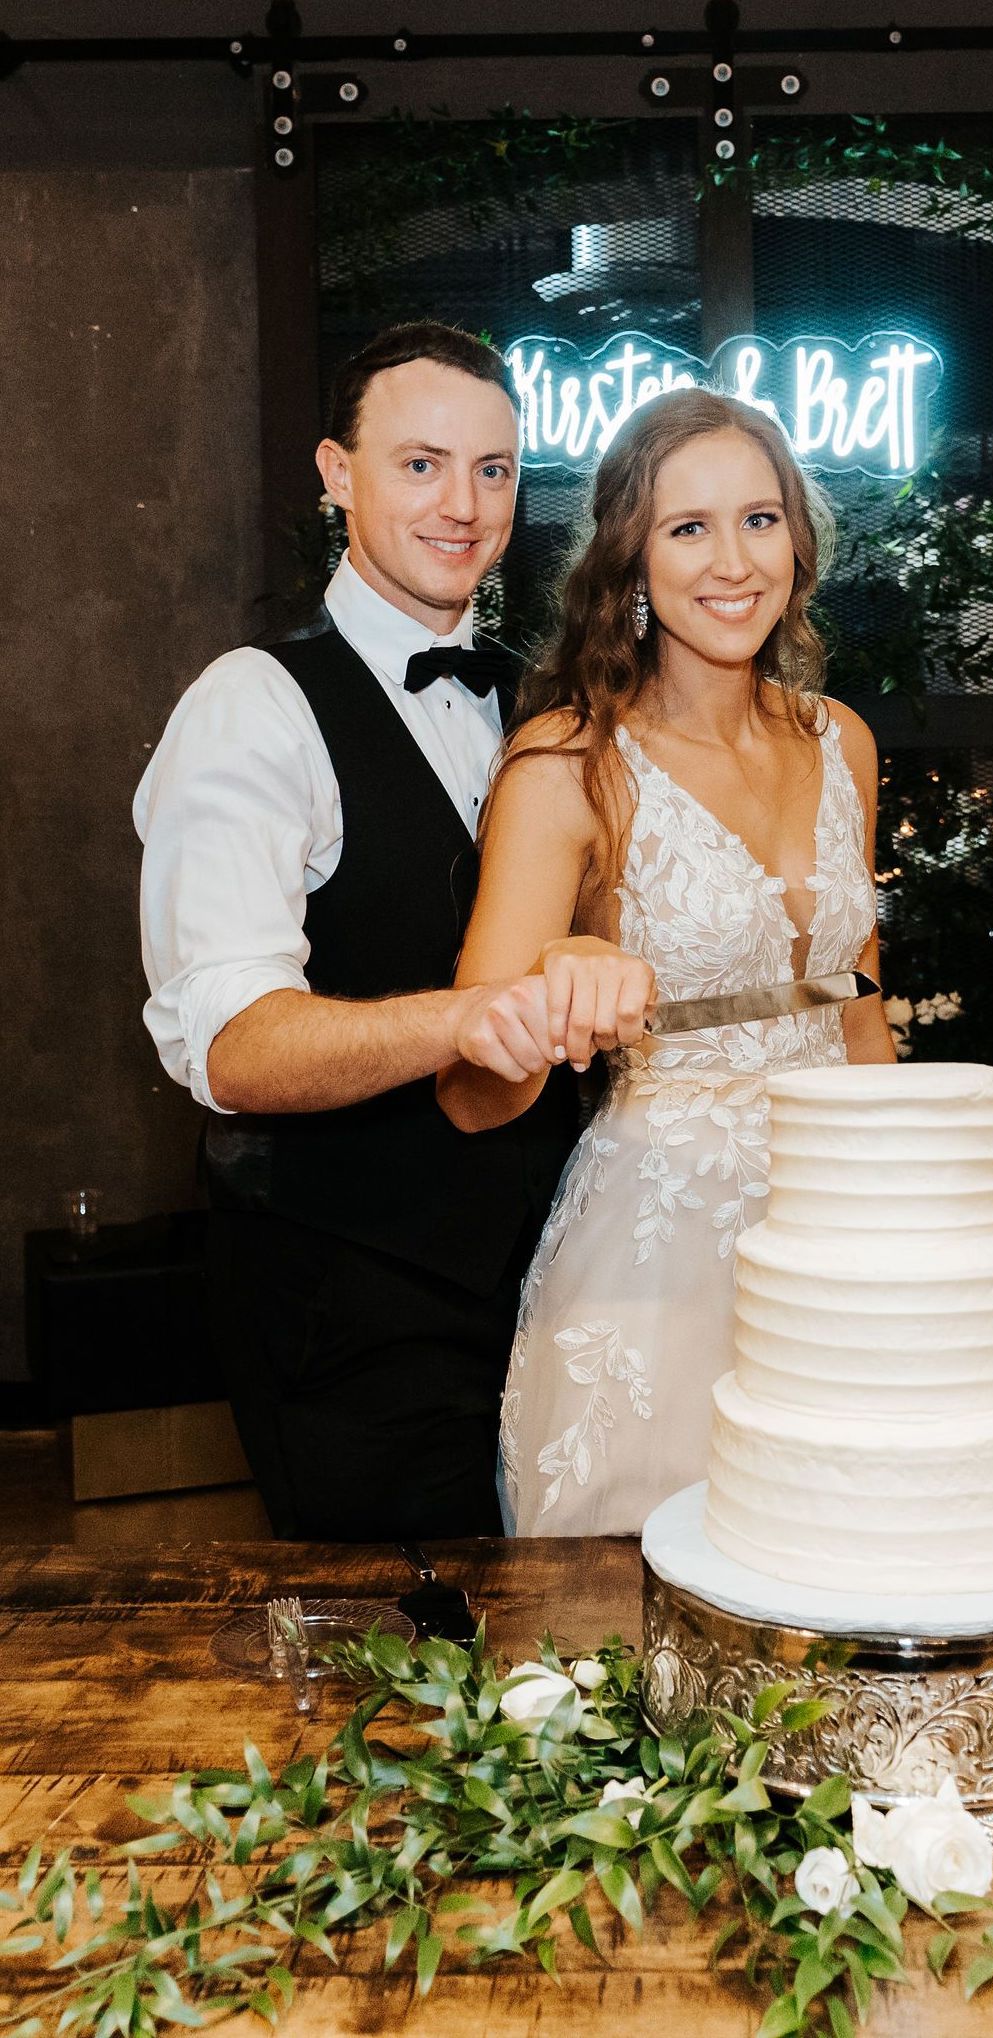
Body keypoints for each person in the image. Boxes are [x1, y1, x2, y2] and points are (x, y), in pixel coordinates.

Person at [134, 320, 632, 1542]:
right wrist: (466, 1018)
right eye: (420, 464)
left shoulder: (544, 702)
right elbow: (230, 1045)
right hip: (350, 1306)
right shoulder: (252, 707)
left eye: (495, 470)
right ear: (335, 474)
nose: (463, 504)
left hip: (559, 1281)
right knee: (419, 1696)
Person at [438, 387, 895, 1535]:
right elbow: (473, 1092)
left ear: (798, 536)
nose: (731, 559)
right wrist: (551, 997)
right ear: (631, 560)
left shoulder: (841, 739)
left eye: (758, 518)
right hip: (660, 1261)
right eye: (687, 528)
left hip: (847, 1248)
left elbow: (859, 1004)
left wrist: (919, 1216)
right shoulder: (567, 763)